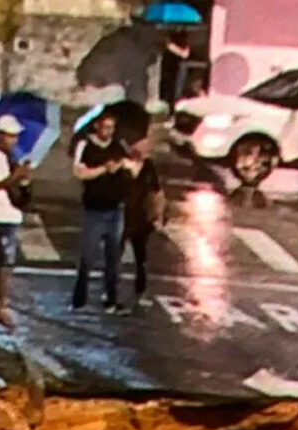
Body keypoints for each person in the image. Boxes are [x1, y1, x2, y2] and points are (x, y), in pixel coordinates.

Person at [71, 112, 130, 314]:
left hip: (115, 209)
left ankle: (112, 299)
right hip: (94, 211)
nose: (108, 132)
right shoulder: (85, 145)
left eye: (111, 128)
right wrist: (104, 168)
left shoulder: (118, 146)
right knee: (87, 257)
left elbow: (130, 165)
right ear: (97, 126)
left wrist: (121, 165)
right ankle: (79, 300)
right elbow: (79, 172)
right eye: (105, 127)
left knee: (113, 258)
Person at [0, 114, 32, 328]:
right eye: (9, 136)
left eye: (15, 136)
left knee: (7, 260)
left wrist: (24, 179)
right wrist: (18, 175)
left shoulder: (13, 157)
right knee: (5, 258)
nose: (13, 140)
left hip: (11, 213)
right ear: (0, 136)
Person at [122, 137, 165, 307]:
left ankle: (141, 289)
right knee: (114, 254)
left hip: (140, 216)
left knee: (141, 256)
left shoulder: (148, 166)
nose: (144, 150)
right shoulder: (119, 165)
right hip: (121, 215)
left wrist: (158, 214)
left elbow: (156, 192)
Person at [160, 31, 191, 109]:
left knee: (176, 90)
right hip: (170, 68)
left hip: (176, 68)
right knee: (171, 90)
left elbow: (185, 54)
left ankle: (173, 107)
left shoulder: (173, 45)